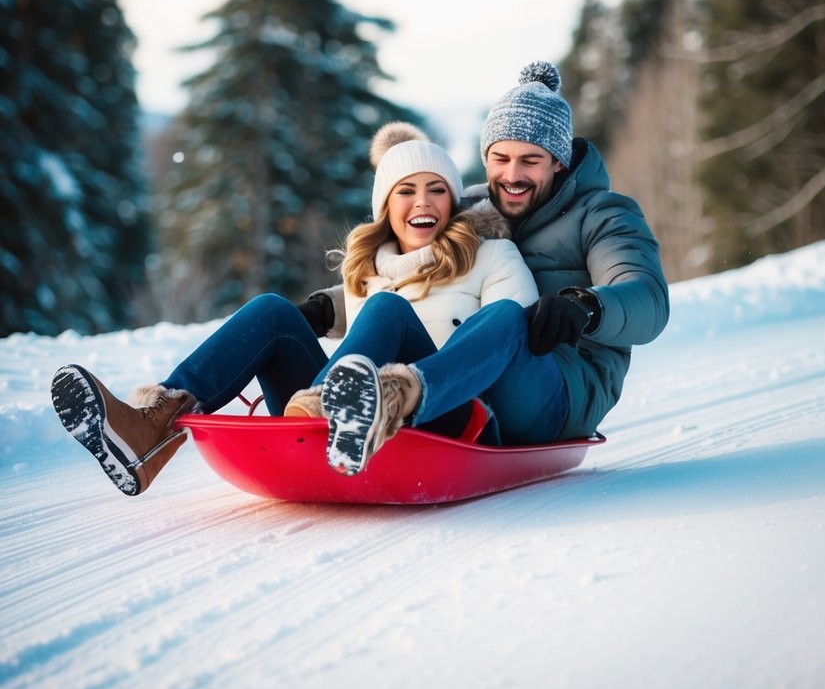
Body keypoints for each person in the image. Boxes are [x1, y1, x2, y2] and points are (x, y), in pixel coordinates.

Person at [50, 122, 539, 493]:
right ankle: (151, 429)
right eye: (405, 191)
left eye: (437, 190)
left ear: (453, 202)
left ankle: (334, 402)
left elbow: (508, 344)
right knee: (272, 311)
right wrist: (316, 316)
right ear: (385, 205)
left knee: (388, 311)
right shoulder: (367, 270)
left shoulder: (492, 256)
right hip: (347, 419)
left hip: (446, 415)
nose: (422, 202)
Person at [308, 61, 669, 476]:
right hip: (465, 375)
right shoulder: (473, 206)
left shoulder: (604, 215)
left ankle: (397, 398)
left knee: (504, 316)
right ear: (486, 157)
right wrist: (328, 309)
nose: (512, 175)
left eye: (530, 161)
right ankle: (324, 416)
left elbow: (648, 298)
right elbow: (421, 272)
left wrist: (586, 306)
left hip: (557, 390)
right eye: (501, 158)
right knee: (391, 310)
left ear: (558, 162)